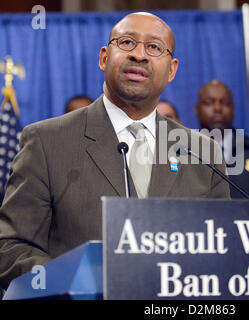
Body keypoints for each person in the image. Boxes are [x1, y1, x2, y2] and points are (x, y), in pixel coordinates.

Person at [0, 12, 229, 289]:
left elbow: (220, 251)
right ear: (104, 58)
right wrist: (76, 283)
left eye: (154, 47)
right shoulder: (46, 141)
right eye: (128, 43)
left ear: (172, 70)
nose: (140, 55)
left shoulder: (203, 151)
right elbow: (12, 247)